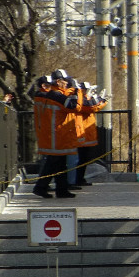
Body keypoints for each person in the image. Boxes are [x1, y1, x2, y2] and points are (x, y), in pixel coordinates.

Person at [32, 69, 82, 198]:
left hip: (53, 134)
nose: (67, 84)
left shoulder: (51, 94)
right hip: (56, 135)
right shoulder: (57, 96)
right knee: (53, 162)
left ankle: (61, 190)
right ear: (58, 82)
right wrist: (77, 91)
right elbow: (74, 106)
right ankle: (41, 187)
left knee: (59, 164)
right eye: (65, 81)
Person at [75, 81, 107, 186]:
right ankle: (77, 179)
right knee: (80, 158)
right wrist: (101, 101)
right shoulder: (79, 100)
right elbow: (91, 107)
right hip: (81, 133)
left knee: (84, 158)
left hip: (86, 133)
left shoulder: (85, 100)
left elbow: (93, 106)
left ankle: (80, 178)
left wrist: (100, 101)